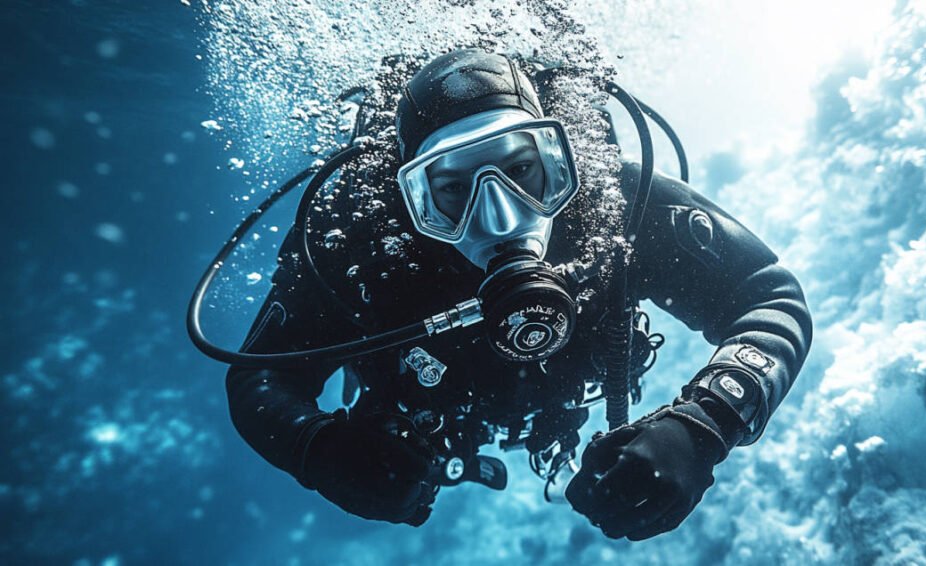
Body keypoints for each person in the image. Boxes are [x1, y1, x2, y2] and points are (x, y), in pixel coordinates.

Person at [223, 48, 812, 541]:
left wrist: (704, 424)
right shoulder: (360, 242)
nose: (501, 218)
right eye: (452, 189)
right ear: (411, 199)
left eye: (522, 172)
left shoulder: (614, 205)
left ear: (559, 161)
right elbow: (260, 378)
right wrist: (321, 449)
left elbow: (767, 294)